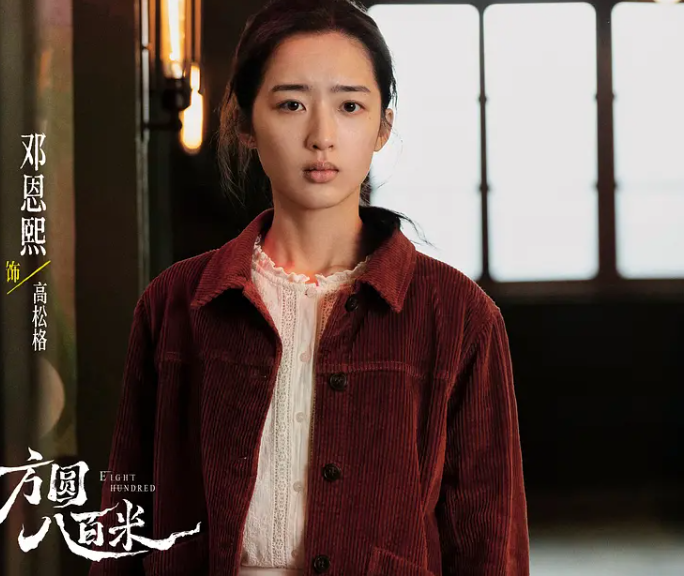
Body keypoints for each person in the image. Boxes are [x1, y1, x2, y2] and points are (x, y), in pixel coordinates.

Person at [90, 0, 529, 574]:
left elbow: (490, 542)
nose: (322, 136)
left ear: (382, 127)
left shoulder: (458, 315)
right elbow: (123, 522)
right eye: (291, 104)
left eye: (350, 106)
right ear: (246, 123)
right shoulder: (175, 302)